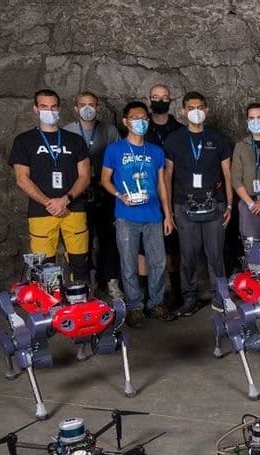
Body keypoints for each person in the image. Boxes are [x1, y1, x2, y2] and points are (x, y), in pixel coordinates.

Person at [100, 101, 176, 326]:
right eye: (135, 118)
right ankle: (134, 307)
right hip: (126, 215)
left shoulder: (155, 151)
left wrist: (168, 214)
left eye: (144, 118)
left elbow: (162, 184)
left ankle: (157, 303)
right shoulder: (115, 149)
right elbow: (105, 179)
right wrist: (119, 194)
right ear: (125, 121)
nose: (140, 122)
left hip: (153, 215)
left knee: (158, 262)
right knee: (129, 263)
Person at [8, 89, 91, 283]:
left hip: (74, 208)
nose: (50, 111)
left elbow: (85, 176)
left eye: (53, 107)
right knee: (44, 264)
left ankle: (82, 302)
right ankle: (50, 307)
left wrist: (65, 200)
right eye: (44, 107)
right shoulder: (23, 140)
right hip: (41, 210)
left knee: (80, 260)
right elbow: (22, 178)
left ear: (60, 108)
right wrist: (49, 202)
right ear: (36, 109)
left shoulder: (75, 140)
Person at [163, 91, 233, 316]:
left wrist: (230, 205)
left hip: (215, 203)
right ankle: (189, 298)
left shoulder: (217, 138)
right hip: (184, 204)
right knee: (188, 255)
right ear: (183, 111)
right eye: (191, 107)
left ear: (207, 110)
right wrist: (169, 209)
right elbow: (167, 175)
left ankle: (219, 296)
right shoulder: (174, 139)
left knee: (215, 254)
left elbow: (227, 174)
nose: (196, 111)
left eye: (200, 107)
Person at [63, 90, 122, 299]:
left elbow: (119, 160)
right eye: (82, 104)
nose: (87, 108)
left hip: (104, 192)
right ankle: (87, 283)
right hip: (78, 194)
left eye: (91, 104)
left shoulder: (109, 131)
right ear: (75, 108)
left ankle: (112, 281)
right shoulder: (67, 132)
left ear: (98, 107)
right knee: (81, 242)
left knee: (108, 240)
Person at [144, 83, 184, 308]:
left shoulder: (179, 130)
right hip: (145, 194)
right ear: (149, 100)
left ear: (171, 100)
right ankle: (147, 297)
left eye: (164, 97)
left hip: (173, 191)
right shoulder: (141, 128)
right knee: (143, 248)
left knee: (172, 245)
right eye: (155, 97)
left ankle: (175, 292)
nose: (160, 100)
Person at [231, 102, 260, 268]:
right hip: (248, 202)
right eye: (251, 118)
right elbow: (235, 178)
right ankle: (256, 287)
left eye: (259, 117)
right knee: (252, 248)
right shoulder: (240, 146)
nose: (255, 121)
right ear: (247, 121)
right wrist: (251, 203)